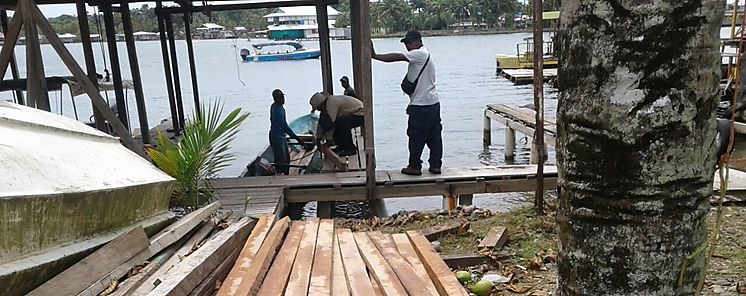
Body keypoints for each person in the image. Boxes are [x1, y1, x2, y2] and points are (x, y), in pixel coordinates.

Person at [372, 30, 442, 176]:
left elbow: (397, 57)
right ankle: (435, 165)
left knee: (415, 135)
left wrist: (375, 56)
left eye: (409, 43)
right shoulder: (425, 54)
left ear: (418, 41)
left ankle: (414, 166)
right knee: (433, 135)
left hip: (421, 106)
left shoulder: (420, 54)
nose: (408, 46)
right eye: (406, 43)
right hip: (432, 103)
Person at [309, 92, 364, 156]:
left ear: (321, 105)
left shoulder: (331, 103)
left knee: (341, 124)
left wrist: (328, 141)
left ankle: (349, 149)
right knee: (339, 123)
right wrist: (318, 139)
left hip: (361, 114)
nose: (318, 110)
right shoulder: (327, 104)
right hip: (354, 114)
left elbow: (330, 124)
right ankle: (341, 147)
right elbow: (321, 123)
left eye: (317, 108)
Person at [269, 89, 304, 175]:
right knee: (282, 162)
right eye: (281, 98)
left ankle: (284, 174)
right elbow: (284, 126)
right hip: (277, 138)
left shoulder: (277, 107)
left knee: (286, 159)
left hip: (280, 136)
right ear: (275, 99)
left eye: (283, 97)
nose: (283, 99)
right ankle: (282, 178)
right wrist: (297, 138)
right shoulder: (277, 110)